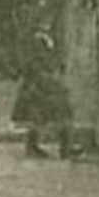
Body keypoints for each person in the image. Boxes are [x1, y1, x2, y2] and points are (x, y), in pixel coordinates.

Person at [14, 20, 73, 158]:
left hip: (47, 83)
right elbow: (31, 64)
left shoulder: (50, 40)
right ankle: (34, 146)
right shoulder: (34, 41)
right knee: (38, 115)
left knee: (56, 114)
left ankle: (63, 146)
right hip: (38, 85)